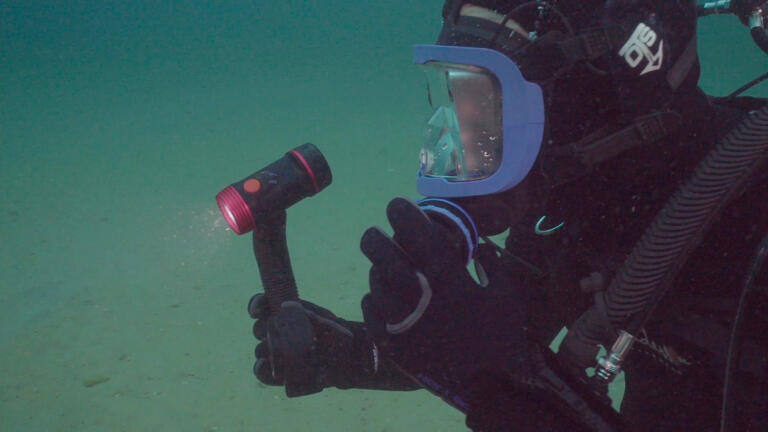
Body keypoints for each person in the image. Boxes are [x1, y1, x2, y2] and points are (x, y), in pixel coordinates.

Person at [247, 1, 768, 430]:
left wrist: (495, 391)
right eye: (455, 97)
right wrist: (362, 356)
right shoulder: (575, 210)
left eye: (488, 105)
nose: (461, 142)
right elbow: (498, 344)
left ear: (602, 95)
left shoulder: (755, 232)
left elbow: (502, 371)